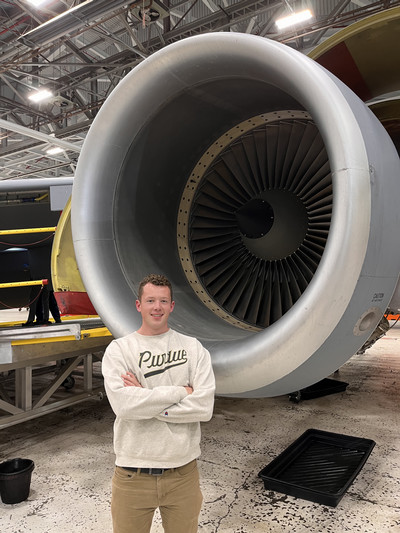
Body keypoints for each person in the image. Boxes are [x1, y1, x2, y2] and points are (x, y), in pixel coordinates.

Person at [102, 274, 216, 533]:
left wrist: (145, 397)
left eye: (163, 301)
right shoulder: (119, 350)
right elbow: (123, 406)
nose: (157, 307)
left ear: (172, 306)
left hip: (183, 474)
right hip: (132, 474)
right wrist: (180, 391)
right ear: (138, 305)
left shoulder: (193, 349)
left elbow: (203, 407)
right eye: (150, 300)